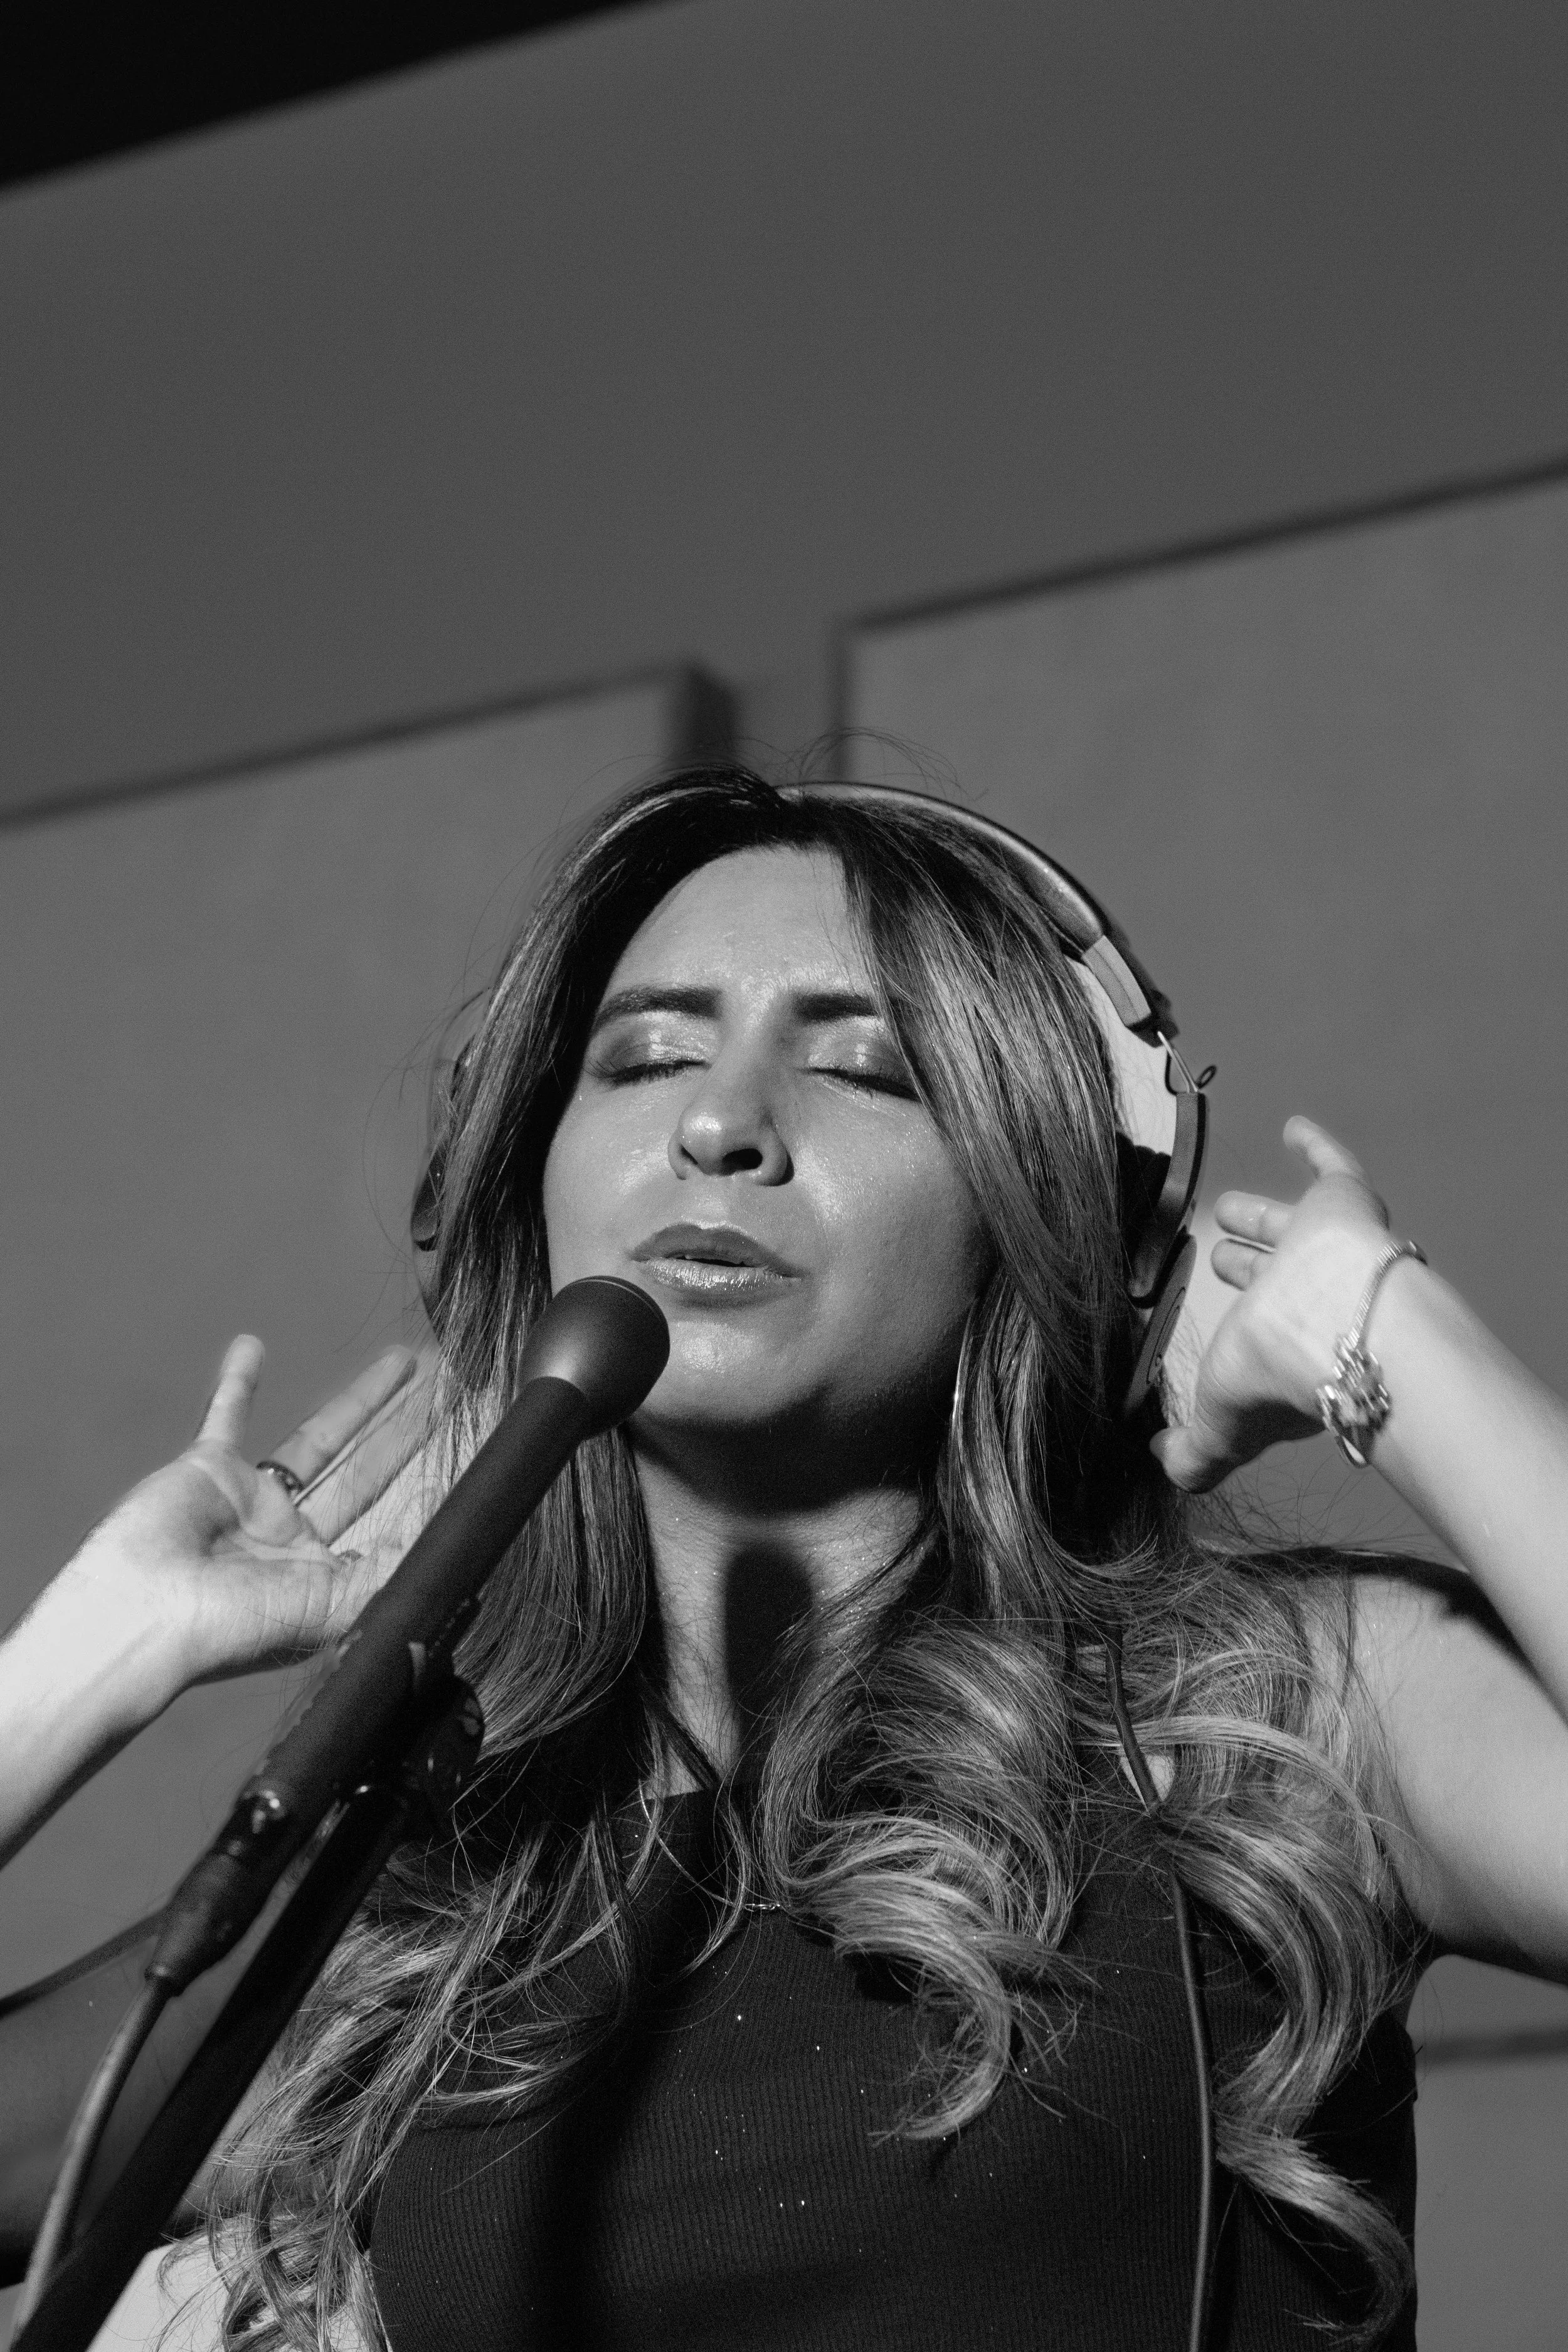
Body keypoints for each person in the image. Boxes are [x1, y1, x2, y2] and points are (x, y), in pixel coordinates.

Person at [3, 766, 1567, 2352]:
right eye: (649, 1057)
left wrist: (1382, 1334)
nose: (718, 1123)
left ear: (1055, 1224)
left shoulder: (1276, 1716)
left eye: (867, 1072)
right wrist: (80, 1667)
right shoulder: (427, 1908)